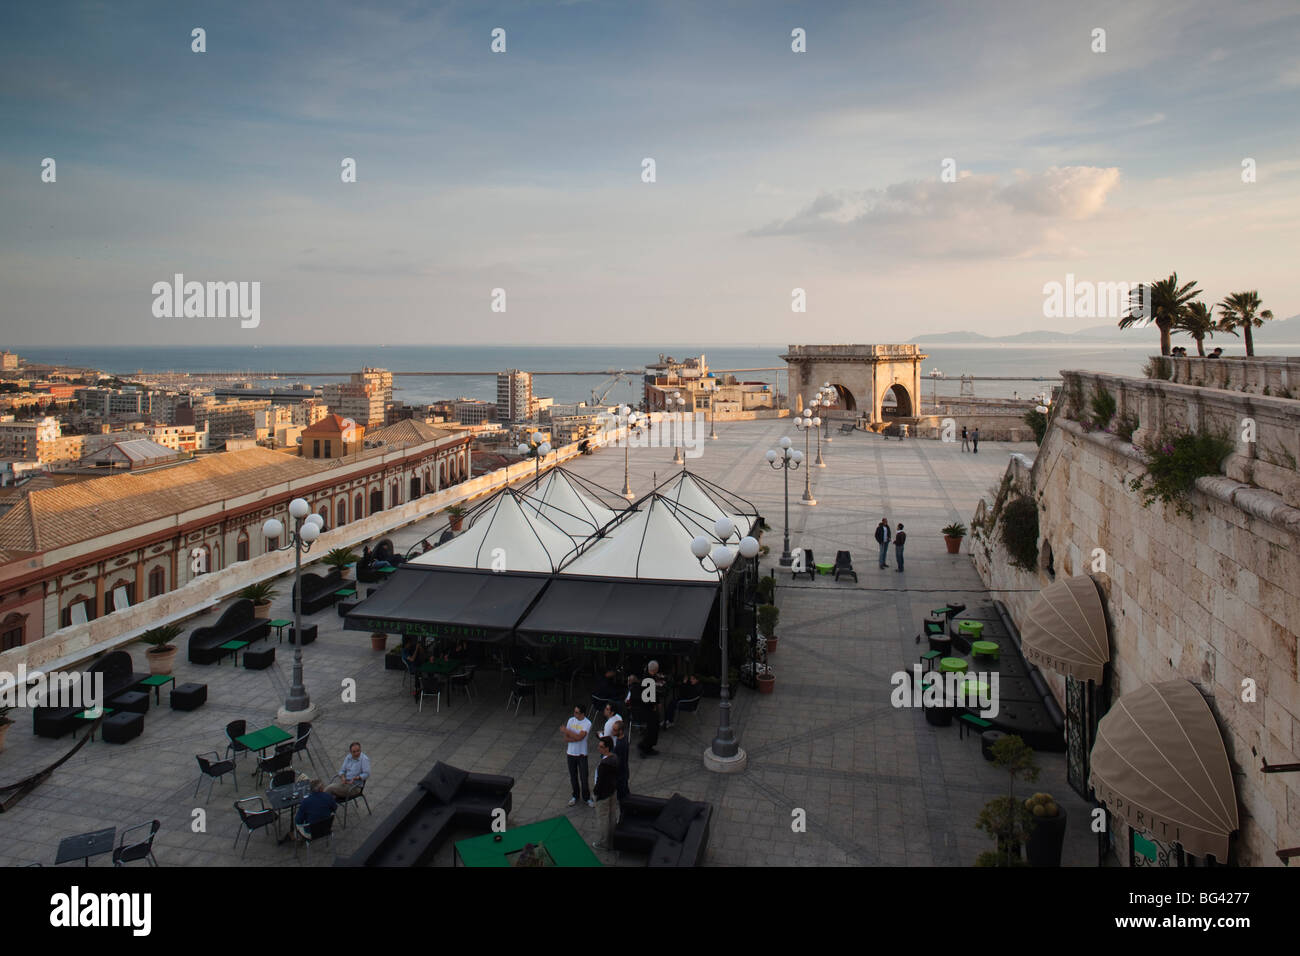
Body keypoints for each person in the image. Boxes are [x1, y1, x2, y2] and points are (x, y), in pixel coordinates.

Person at [592, 736, 620, 850]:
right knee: (612, 816)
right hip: (612, 791)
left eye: (601, 747)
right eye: (599, 745)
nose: (599, 748)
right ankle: (612, 839)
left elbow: (600, 781)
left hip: (603, 794)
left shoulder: (604, 764)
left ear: (607, 748)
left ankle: (604, 843)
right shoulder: (615, 758)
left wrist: (595, 793)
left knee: (603, 819)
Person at [563, 704, 593, 808]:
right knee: (573, 776)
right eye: (574, 712)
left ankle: (587, 797)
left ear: (582, 714)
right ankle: (575, 795)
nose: (574, 714)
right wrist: (575, 737)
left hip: (581, 754)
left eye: (577, 712)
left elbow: (581, 736)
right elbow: (566, 738)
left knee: (584, 777)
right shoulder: (571, 720)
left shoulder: (587, 723)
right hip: (570, 753)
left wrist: (568, 731)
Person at [612, 719, 631, 800]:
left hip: (620, 773)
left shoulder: (620, 744)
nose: (613, 731)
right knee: (625, 791)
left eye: (615, 730)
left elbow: (617, 760)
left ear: (620, 731)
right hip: (624, 771)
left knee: (622, 796)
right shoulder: (624, 738)